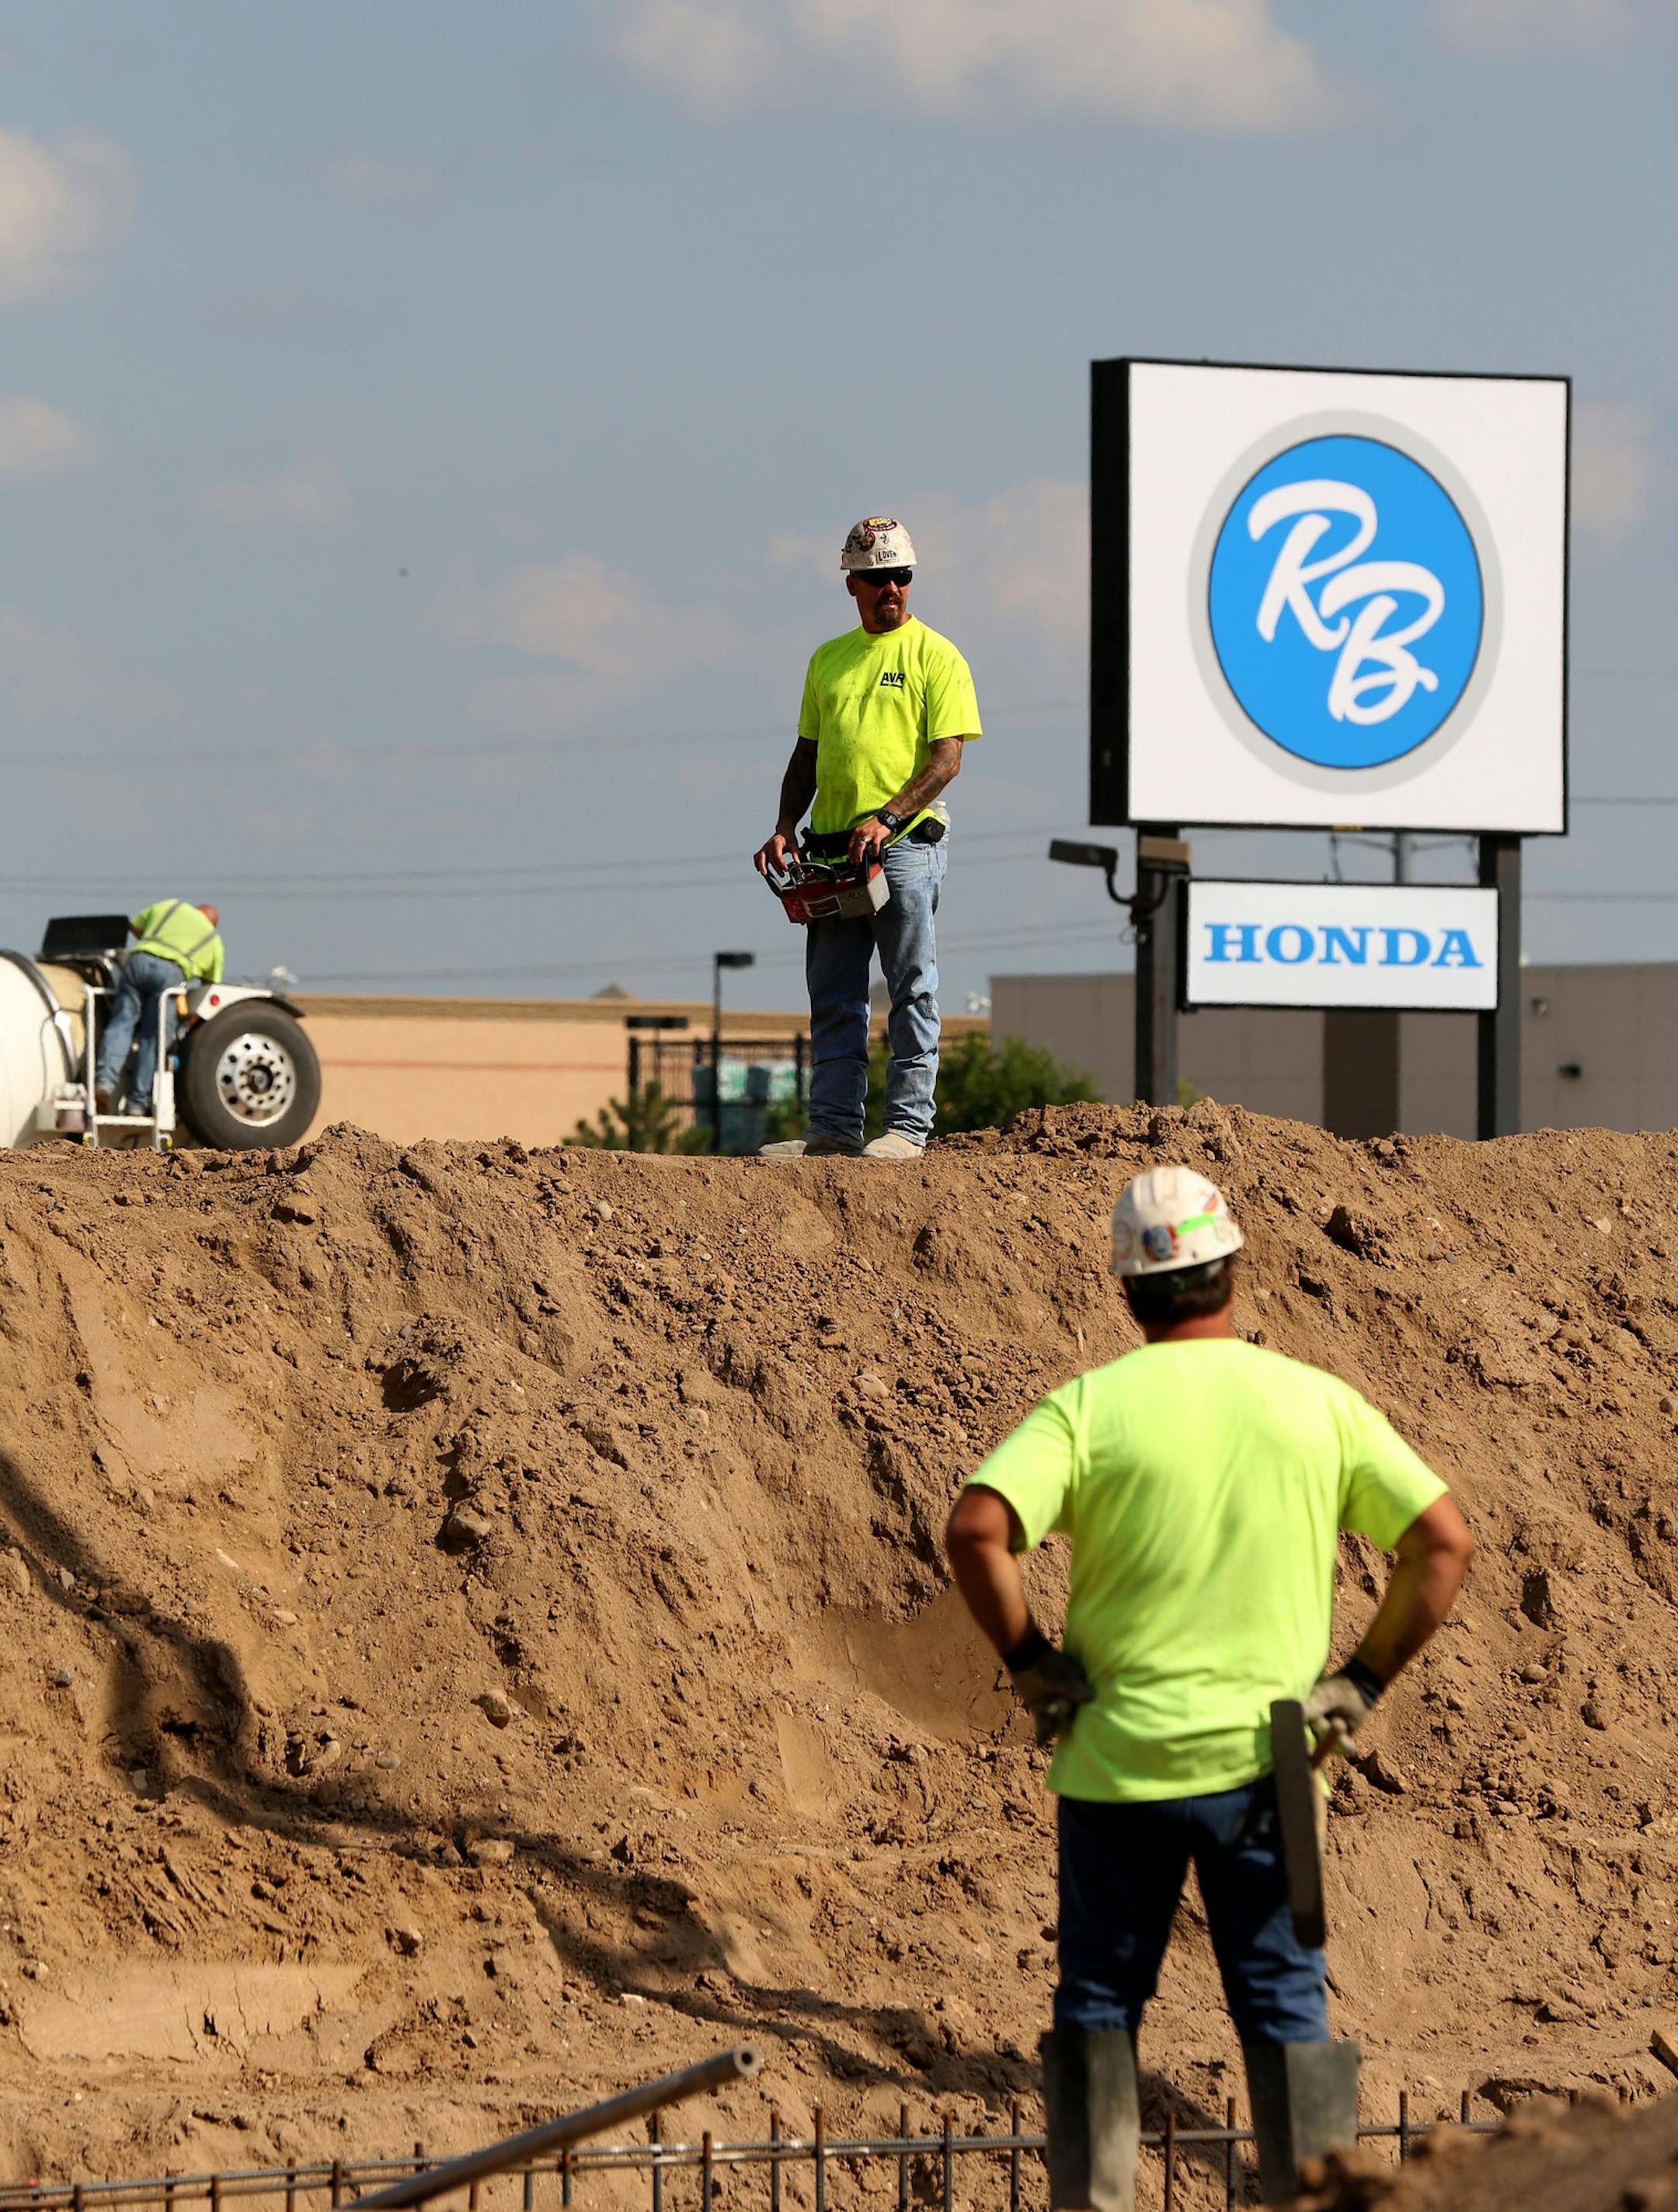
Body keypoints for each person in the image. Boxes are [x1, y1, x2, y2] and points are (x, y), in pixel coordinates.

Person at [944, 1167, 1474, 2209]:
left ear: (1130, 1292)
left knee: (1100, 1996)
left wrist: (1030, 1664)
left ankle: (1092, 2198)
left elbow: (977, 1530)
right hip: (1269, 1769)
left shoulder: (1089, 1409)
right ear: (1232, 1268)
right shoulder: (1317, 1405)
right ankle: (1312, 2194)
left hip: (1116, 1758)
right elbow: (1443, 1544)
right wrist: (1359, 1682)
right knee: (1282, 2001)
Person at [754, 515, 980, 1161]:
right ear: (852, 582)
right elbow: (807, 755)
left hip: (902, 847)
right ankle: (833, 1129)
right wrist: (782, 828)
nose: (892, 589)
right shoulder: (828, 660)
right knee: (834, 995)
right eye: (878, 577)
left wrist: (887, 818)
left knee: (911, 985)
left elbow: (947, 759)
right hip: (830, 850)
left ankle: (908, 1129)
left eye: (901, 576)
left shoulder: (936, 655)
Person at [94, 900, 225, 1118]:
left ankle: (105, 1082)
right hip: (170, 974)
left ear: (194, 910)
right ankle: (137, 1104)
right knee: (153, 1039)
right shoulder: (213, 940)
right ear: (212, 924)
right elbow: (209, 987)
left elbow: (135, 926)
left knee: (122, 1023)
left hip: (139, 960)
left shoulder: (171, 907)